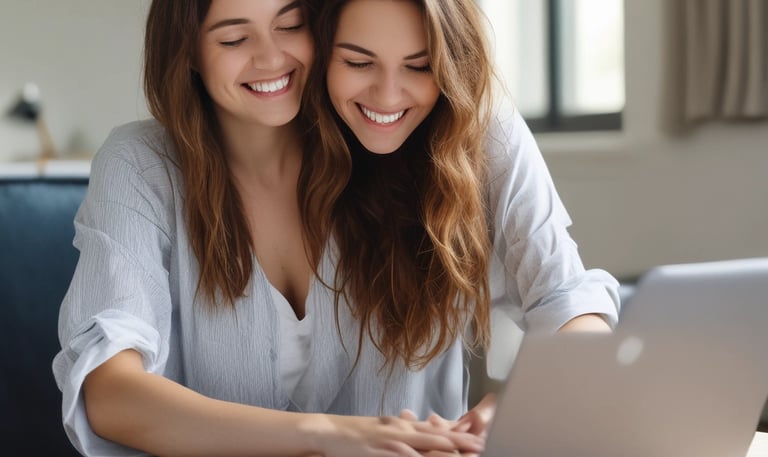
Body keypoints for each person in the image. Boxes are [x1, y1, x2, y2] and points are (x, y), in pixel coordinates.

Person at [52, 0, 485, 456]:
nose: (271, 58)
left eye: (291, 25)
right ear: (189, 52)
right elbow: (109, 393)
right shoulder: (140, 164)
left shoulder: (395, 128)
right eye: (235, 39)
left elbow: (560, 302)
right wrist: (324, 436)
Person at [300, 0, 622, 444]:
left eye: (420, 67)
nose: (388, 95)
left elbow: (564, 292)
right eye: (358, 62)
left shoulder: (482, 126)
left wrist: (526, 403)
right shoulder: (277, 136)